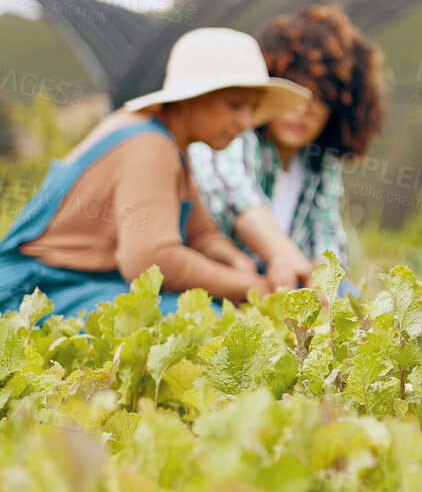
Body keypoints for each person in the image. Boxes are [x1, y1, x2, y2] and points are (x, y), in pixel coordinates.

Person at [0, 27, 312, 319]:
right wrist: (256, 288)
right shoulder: (150, 144)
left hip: (80, 285)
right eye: (234, 105)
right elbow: (151, 260)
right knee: (203, 323)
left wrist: (236, 261)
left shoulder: (172, 143)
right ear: (189, 98)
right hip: (36, 294)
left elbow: (200, 233)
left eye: (252, 108)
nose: (246, 122)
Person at [189, 6, 387, 289]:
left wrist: (321, 277)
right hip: (226, 283)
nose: (302, 111)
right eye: (293, 92)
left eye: (320, 97)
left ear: (340, 108)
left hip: (286, 289)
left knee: (344, 292)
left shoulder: (320, 162)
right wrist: (284, 255)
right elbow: (234, 193)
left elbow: (327, 236)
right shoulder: (235, 136)